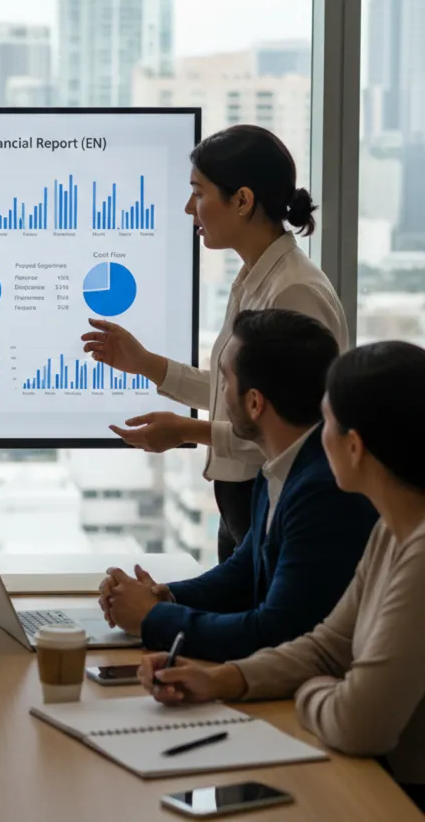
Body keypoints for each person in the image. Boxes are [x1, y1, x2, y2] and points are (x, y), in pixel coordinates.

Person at [137, 341, 425, 811]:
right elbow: (327, 647)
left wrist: (311, 688)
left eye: (326, 423)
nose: (317, 438)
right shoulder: (392, 532)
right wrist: (222, 680)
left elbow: (359, 724)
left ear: (354, 447)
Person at [82, 125, 348, 561]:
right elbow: (239, 396)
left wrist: (186, 430)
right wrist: (146, 363)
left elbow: (294, 429)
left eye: (198, 193)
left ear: (242, 201)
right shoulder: (253, 278)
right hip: (241, 506)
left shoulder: (293, 292)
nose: (190, 208)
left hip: (273, 504)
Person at [97, 309, 376, 663]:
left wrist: (152, 618)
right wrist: (163, 597)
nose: (220, 394)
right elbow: (243, 574)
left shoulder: (324, 492)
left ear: (255, 402)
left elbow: (274, 633)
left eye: (225, 381)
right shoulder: (280, 466)